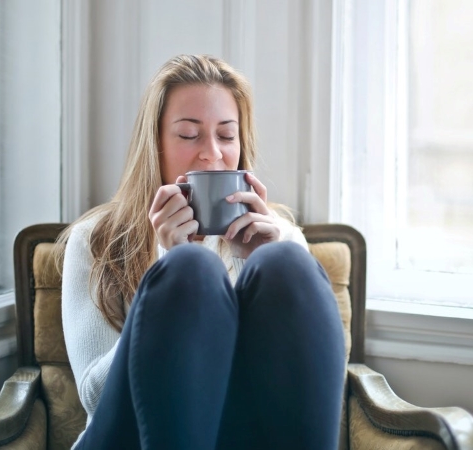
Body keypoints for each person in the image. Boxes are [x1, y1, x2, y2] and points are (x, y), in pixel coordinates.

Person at [56, 54, 345, 450]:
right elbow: (93, 396)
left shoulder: (280, 237)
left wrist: (251, 262)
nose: (212, 153)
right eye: (189, 135)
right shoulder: (95, 238)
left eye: (226, 136)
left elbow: (310, 388)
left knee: (286, 261)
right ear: (154, 144)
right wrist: (166, 263)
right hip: (126, 439)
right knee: (189, 269)